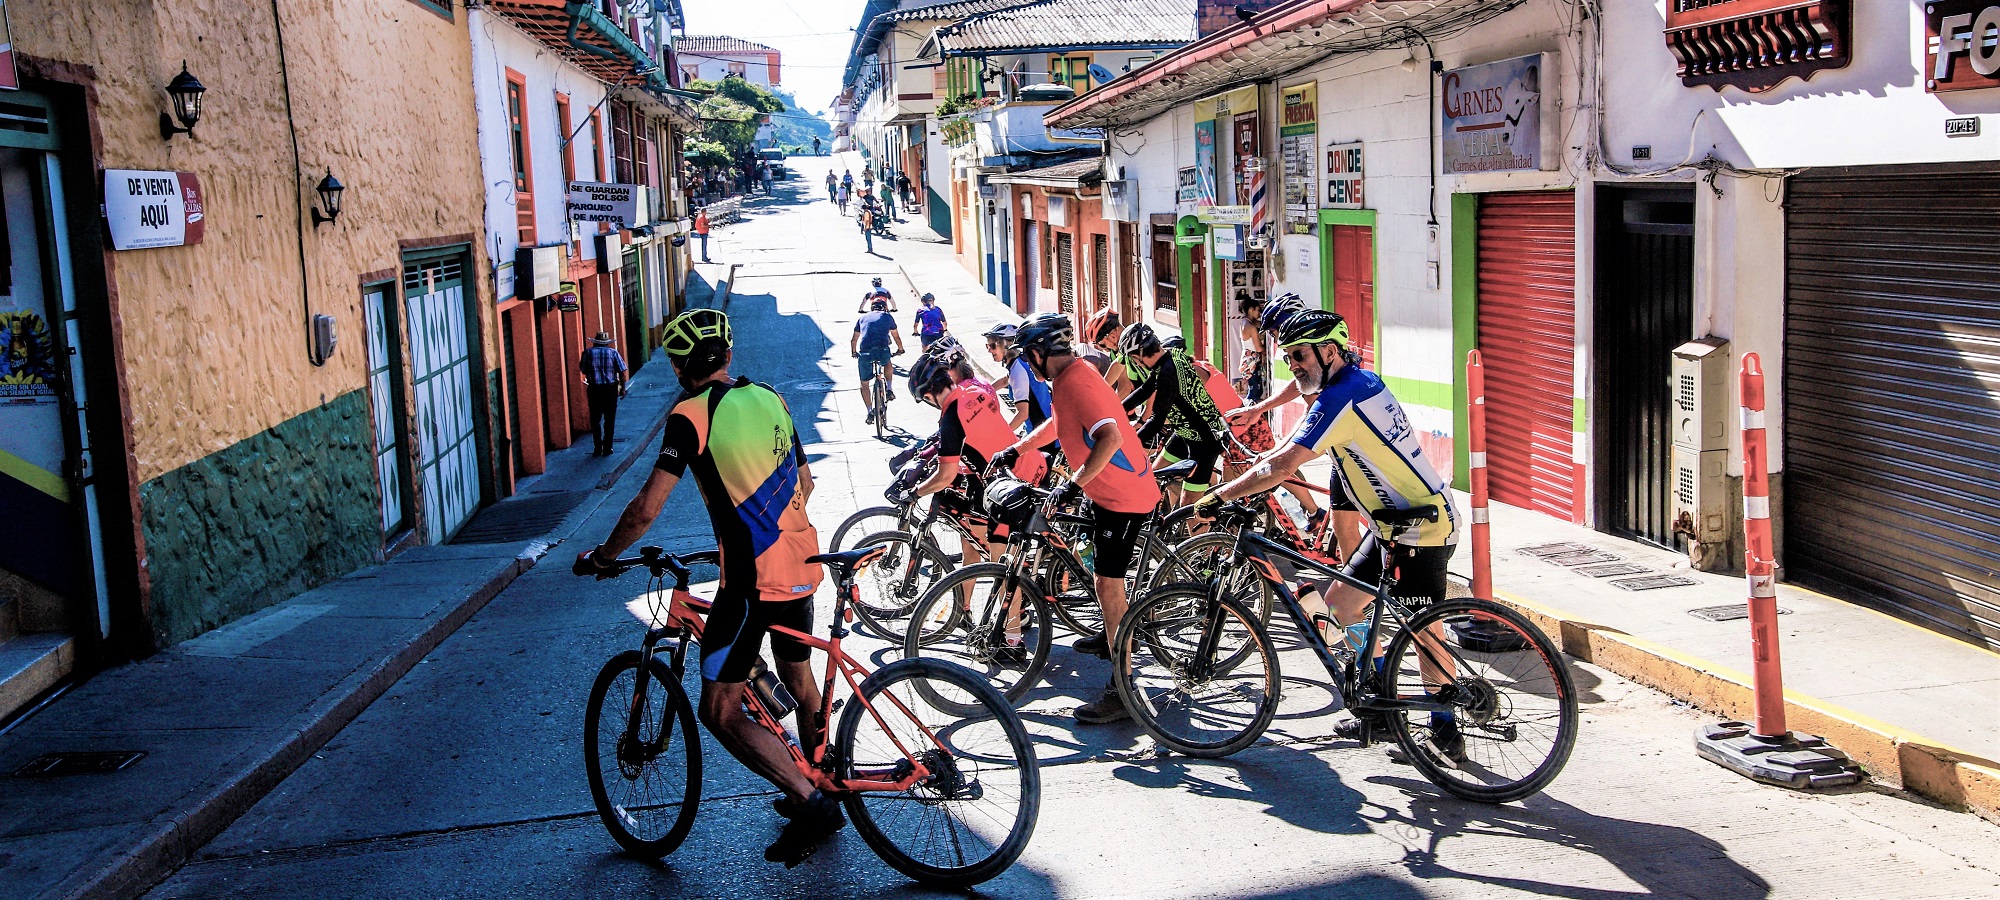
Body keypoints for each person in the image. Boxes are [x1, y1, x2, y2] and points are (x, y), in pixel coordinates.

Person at [573, 309, 844, 865]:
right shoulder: (771, 398)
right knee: (798, 678)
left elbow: (647, 509)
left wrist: (603, 556)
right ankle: (821, 771)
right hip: (799, 561)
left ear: (680, 365)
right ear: (724, 355)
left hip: (751, 581)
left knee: (719, 711)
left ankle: (811, 800)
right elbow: (806, 482)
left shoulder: (689, 416)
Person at [1193, 310, 1463, 756]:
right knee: (1338, 609)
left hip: (1421, 528)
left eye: (1299, 355)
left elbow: (1281, 466)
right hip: (1391, 526)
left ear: (1329, 351)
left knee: (1422, 633)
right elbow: (1286, 451)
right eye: (1288, 358)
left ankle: (1446, 728)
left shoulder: (1344, 397)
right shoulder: (1352, 381)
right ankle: (1381, 712)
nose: (1293, 365)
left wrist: (1218, 496)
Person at [991, 314, 1160, 724]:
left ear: (1038, 352)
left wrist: (1072, 485)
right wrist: (1018, 449)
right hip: (1106, 490)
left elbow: (1111, 438)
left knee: (1107, 583)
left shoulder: (1079, 381)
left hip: (1123, 497)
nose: (1027, 364)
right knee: (1086, 558)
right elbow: (1058, 424)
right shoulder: (1068, 377)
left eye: (1027, 356)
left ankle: (1123, 687)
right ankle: (1112, 629)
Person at [906, 340, 1046, 569]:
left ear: (929, 396)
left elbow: (945, 476)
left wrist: (915, 493)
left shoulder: (951, 418)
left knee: (1003, 571)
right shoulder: (975, 390)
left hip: (1014, 487)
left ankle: (1022, 602)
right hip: (1032, 464)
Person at [1117, 323, 1227, 507]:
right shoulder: (1168, 356)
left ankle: (1202, 533)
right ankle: (1173, 522)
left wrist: (1128, 444)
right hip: (1185, 433)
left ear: (1138, 356)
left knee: (1190, 508)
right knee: (1154, 476)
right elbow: (1145, 389)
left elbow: (1157, 420)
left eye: (1133, 360)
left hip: (1205, 441)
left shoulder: (1168, 372)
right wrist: (1114, 410)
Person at [982, 321, 1051, 432]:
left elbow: (1023, 414)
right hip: (1044, 427)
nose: (989, 350)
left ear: (1007, 345)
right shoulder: (1021, 361)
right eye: (987, 346)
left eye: (992, 345)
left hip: (1040, 435)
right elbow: (1006, 379)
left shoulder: (1017, 371)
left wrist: (1003, 435)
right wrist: (983, 390)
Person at [852, 297, 904, 423]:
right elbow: (895, 336)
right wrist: (900, 349)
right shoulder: (887, 316)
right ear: (884, 307)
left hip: (865, 351)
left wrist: (854, 352)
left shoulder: (862, 318)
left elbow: (854, 339)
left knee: (864, 383)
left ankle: (870, 411)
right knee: (887, 363)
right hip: (882, 348)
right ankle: (889, 389)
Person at [579, 331, 629, 457]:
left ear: (595, 342)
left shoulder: (588, 353)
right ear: (607, 344)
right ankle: (607, 448)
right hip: (609, 389)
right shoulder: (613, 353)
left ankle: (597, 447)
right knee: (609, 419)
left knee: (595, 419)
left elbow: (583, 369)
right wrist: (623, 388)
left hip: (594, 389)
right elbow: (622, 372)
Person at [1078, 307, 1119, 379]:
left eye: (1103, 345)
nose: (1105, 349)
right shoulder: (1114, 353)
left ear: (1112, 337)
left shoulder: (1125, 352)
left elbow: (1124, 386)